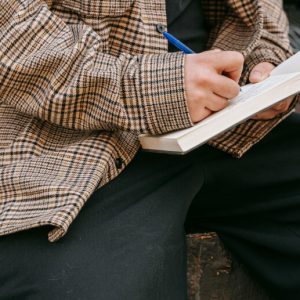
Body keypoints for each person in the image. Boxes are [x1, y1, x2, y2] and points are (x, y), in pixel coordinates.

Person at [0, 0, 299, 299]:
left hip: (223, 117)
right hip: (59, 142)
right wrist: (157, 87)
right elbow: (12, 38)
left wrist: (265, 59)